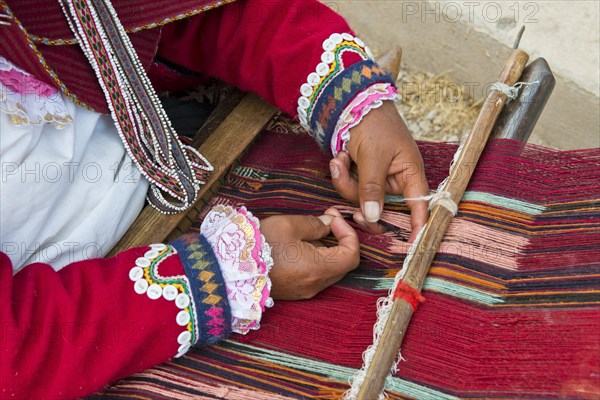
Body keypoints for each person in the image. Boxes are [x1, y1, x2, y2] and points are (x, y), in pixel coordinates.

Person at [0, 0, 429, 398]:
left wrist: (350, 98)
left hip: (153, 130)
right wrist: (222, 275)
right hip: (89, 309)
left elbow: (182, 15)